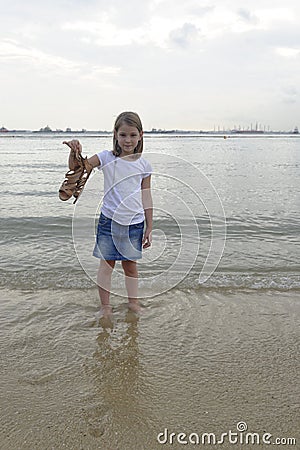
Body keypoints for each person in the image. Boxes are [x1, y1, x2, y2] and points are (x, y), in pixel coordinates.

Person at [64, 111, 153, 318]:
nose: (127, 140)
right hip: (109, 222)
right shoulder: (106, 157)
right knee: (106, 266)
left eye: (132, 135)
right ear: (115, 134)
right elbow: (78, 167)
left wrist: (149, 226)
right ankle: (105, 306)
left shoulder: (144, 165)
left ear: (141, 135)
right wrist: (74, 152)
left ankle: (133, 303)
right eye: (123, 135)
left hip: (135, 223)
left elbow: (146, 198)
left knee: (130, 267)